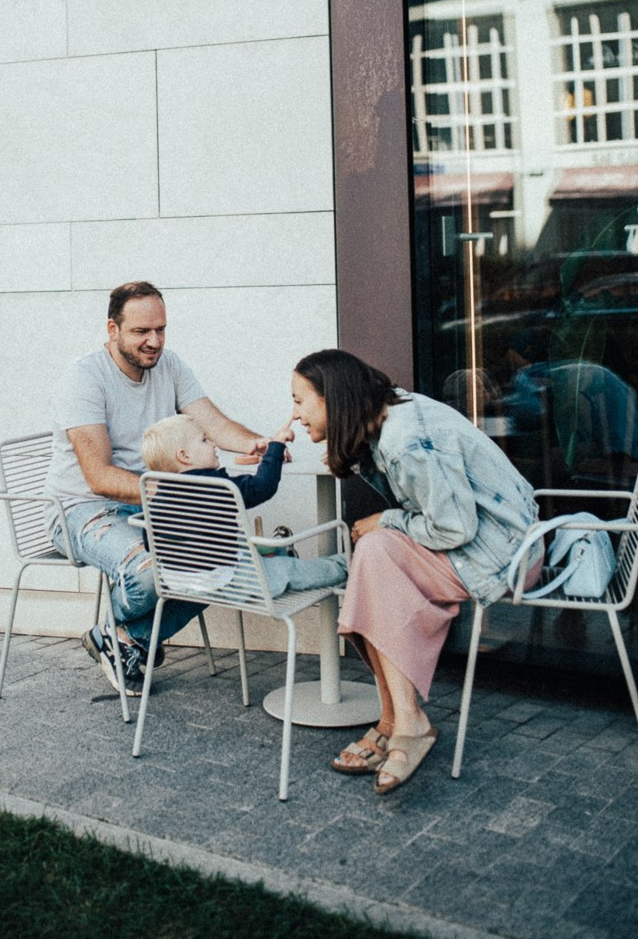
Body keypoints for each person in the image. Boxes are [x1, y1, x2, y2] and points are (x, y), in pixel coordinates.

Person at [290, 348, 542, 796]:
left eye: (299, 401)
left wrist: (387, 521)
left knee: (374, 554)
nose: (294, 415)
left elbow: (454, 527)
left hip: (502, 555)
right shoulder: (388, 416)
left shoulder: (404, 440)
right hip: (488, 545)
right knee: (373, 562)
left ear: (333, 399)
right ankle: (397, 721)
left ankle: (406, 724)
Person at [46, 280, 269, 696]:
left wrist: (260, 444)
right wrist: (178, 496)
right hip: (82, 510)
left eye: (161, 330)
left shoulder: (170, 366)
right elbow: (99, 477)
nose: (154, 342)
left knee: (220, 565)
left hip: (147, 504)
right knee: (147, 575)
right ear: (112, 330)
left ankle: (122, 637)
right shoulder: (83, 378)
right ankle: (129, 638)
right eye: (141, 332)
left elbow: (214, 425)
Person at [140, 414, 346, 597]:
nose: (214, 444)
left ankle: (278, 552)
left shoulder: (157, 497)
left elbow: (151, 544)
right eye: (204, 440)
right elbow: (263, 486)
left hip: (181, 586)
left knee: (255, 549)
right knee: (293, 570)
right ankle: (347, 565)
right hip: (232, 582)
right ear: (184, 456)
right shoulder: (217, 487)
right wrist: (275, 447)